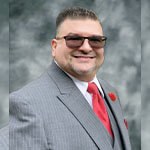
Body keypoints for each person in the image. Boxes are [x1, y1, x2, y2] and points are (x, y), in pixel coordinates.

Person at [9, 7, 131, 150]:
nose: (86, 47)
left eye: (95, 40)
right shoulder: (27, 104)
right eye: (74, 39)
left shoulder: (110, 93)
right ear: (54, 47)